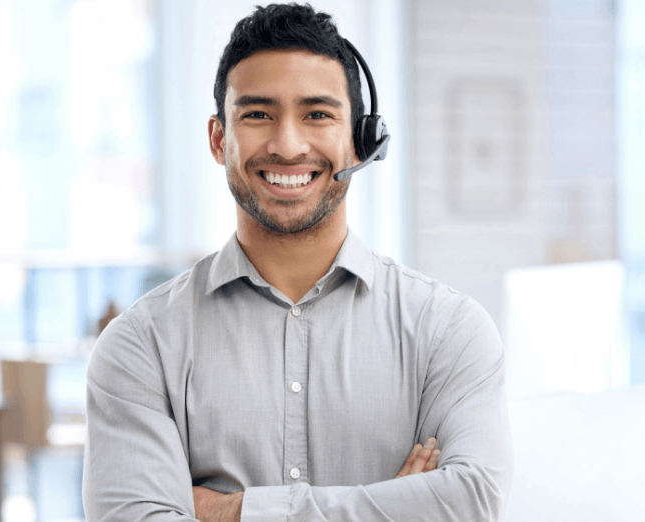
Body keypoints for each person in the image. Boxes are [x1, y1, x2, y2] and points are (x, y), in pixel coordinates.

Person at [82, 4, 514, 521]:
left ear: (361, 138)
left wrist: (230, 511)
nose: (288, 145)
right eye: (258, 114)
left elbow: (471, 503)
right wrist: (392, 507)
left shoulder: (449, 332)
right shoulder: (140, 346)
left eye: (318, 114)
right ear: (220, 139)